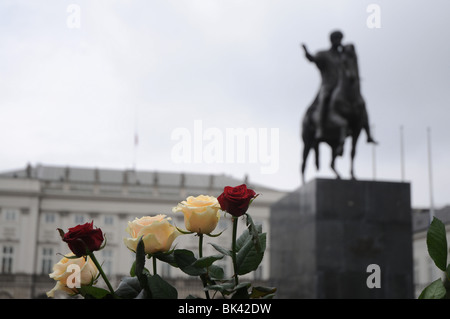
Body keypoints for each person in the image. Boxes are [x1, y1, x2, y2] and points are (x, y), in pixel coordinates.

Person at [302, 30, 344, 140]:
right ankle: (320, 128)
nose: (339, 42)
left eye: (340, 39)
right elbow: (313, 59)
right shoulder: (324, 54)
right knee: (324, 99)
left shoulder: (342, 57)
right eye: (337, 39)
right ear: (332, 40)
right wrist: (306, 52)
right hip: (328, 86)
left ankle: (367, 130)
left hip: (341, 87)